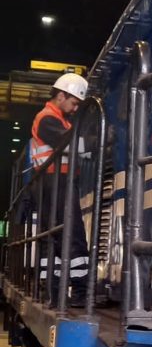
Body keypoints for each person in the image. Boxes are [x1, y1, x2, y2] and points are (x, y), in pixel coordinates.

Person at [30, 72, 90, 307]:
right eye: (74, 102)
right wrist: (97, 140)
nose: (75, 109)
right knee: (74, 235)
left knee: (52, 239)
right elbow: (72, 144)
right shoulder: (47, 119)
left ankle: (53, 294)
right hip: (56, 184)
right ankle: (81, 293)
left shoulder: (57, 119)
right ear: (62, 95)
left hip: (49, 185)